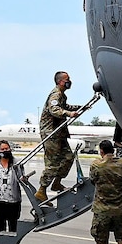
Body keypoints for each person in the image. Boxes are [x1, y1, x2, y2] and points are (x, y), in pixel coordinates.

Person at [35, 71, 82, 202]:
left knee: (68, 157)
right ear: (60, 82)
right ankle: (42, 190)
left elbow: (64, 106)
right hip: (51, 133)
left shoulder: (62, 95)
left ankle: (57, 183)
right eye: (67, 79)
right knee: (53, 163)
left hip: (59, 133)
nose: (69, 81)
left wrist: (79, 107)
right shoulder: (55, 94)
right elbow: (54, 110)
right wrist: (69, 113)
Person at [0, 139, 24, 238]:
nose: (5, 151)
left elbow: (21, 179)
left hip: (13, 201)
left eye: (7, 148)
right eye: (2, 149)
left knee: (13, 228)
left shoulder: (17, 163)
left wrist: (23, 177)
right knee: (0, 228)